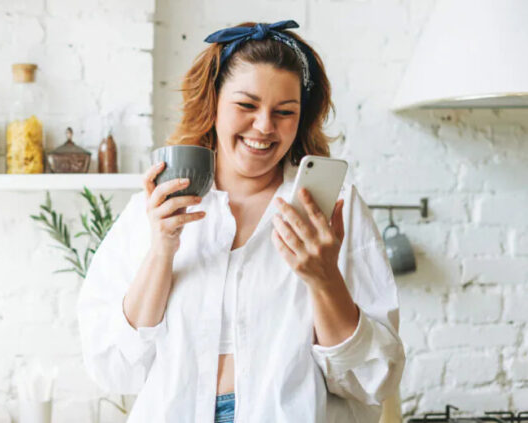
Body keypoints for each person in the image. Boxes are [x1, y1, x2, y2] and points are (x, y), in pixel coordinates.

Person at [77, 20, 405, 423]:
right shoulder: (153, 210)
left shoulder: (335, 209)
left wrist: (324, 279)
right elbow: (114, 366)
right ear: (212, 102)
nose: (265, 126)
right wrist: (162, 250)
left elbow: (373, 379)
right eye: (247, 106)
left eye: (284, 112)